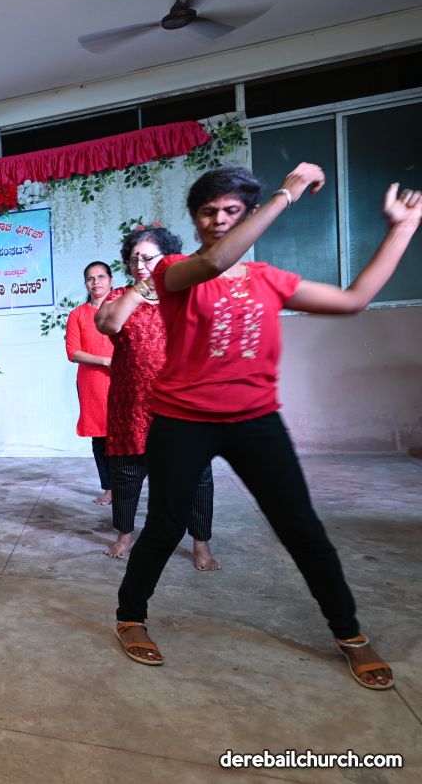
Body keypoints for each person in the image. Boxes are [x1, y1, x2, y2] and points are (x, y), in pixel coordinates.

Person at [113, 163, 420, 691]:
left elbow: (353, 299)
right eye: (207, 211)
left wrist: (403, 229)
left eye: (231, 210)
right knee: (165, 525)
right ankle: (130, 616)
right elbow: (216, 260)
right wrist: (286, 194)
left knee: (302, 528)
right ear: (195, 220)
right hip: (182, 420)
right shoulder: (175, 271)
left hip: (255, 418)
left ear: (249, 213)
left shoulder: (268, 279)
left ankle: (349, 633)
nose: (218, 219)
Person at [96, 228, 218, 571]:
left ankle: (201, 542)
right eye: (133, 259)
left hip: (181, 403)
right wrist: (141, 291)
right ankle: (125, 535)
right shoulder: (119, 296)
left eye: (148, 258)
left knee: (196, 475)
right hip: (131, 402)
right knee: (126, 473)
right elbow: (108, 324)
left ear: (168, 259)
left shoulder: (186, 294)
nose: (139, 265)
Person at [65, 261, 114, 505]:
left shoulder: (123, 308)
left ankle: (130, 486)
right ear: (86, 283)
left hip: (123, 378)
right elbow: (73, 352)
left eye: (101, 276)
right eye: (90, 278)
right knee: (100, 436)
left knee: (129, 434)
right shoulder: (78, 315)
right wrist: (105, 361)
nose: (96, 282)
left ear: (111, 280)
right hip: (92, 381)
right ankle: (110, 489)